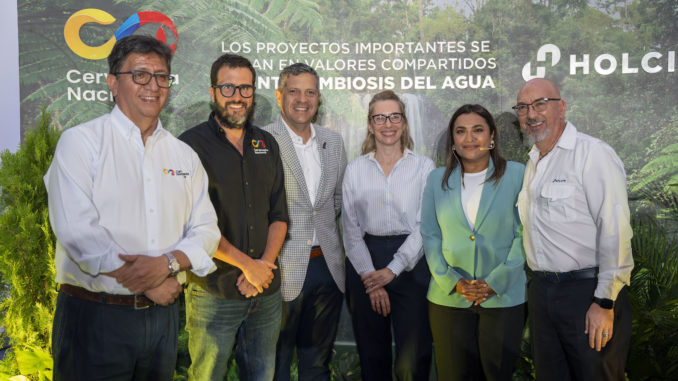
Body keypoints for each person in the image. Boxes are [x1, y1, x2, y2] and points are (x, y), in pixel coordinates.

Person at [45, 35, 220, 381]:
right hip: (96, 317)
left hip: (162, 321)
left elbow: (207, 229)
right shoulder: (80, 143)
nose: (153, 85)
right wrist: (146, 283)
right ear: (113, 83)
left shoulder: (182, 154)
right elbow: (78, 233)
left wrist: (170, 264)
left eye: (161, 76)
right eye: (140, 75)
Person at [514, 78, 633, 380]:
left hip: (587, 295)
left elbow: (615, 228)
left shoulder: (592, 154)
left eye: (540, 104)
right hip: (543, 294)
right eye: (523, 107)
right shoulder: (533, 161)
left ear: (561, 107)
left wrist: (605, 301)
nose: (531, 114)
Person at [179, 54, 289, 381]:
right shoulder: (189, 146)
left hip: (265, 293)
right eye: (228, 88)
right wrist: (248, 266)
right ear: (212, 93)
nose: (237, 97)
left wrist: (263, 267)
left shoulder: (266, 143)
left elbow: (279, 214)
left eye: (245, 88)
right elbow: (192, 227)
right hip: (214, 292)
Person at [420, 104, 527, 381]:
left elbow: (524, 233)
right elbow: (430, 235)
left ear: (491, 136)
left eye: (477, 130)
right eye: (461, 131)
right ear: (453, 140)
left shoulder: (517, 175)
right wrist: (451, 281)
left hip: (503, 298)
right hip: (449, 299)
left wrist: (496, 281)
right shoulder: (436, 179)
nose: (469, 138)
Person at [262, 63, 347, 381]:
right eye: (294, 91)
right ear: (279, 95)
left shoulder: (333, 142)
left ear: (319, 98)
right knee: (275, 363)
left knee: (317, 364)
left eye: (310, 92)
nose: (302, 99)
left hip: (327, 267)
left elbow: (336, 201)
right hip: (280, 267)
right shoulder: (262, 141)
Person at [342, 90, 434, 381]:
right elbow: (350, 229)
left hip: (412, 263)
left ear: (404, 123)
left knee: (412, 361)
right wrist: (372, 278)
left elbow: (425, 225)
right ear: (370, 124)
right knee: (372, 357)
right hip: (365, 262)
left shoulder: (424, 167)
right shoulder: (355, 170)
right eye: (379, 118)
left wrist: (392, 270)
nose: (388, 124)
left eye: (394, 116)